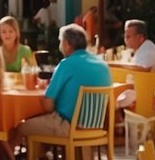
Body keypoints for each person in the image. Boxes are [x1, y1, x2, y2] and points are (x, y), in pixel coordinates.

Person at [11, 24, 110, 153]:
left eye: (60, 42)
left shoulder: (66, 64)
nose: (60, 46)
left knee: (20, 126)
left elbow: (48, 106)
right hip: (96, 126)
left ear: (67, 45)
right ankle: (39, 157)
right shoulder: (103, 65)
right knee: (43, 121)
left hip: (67, 125)